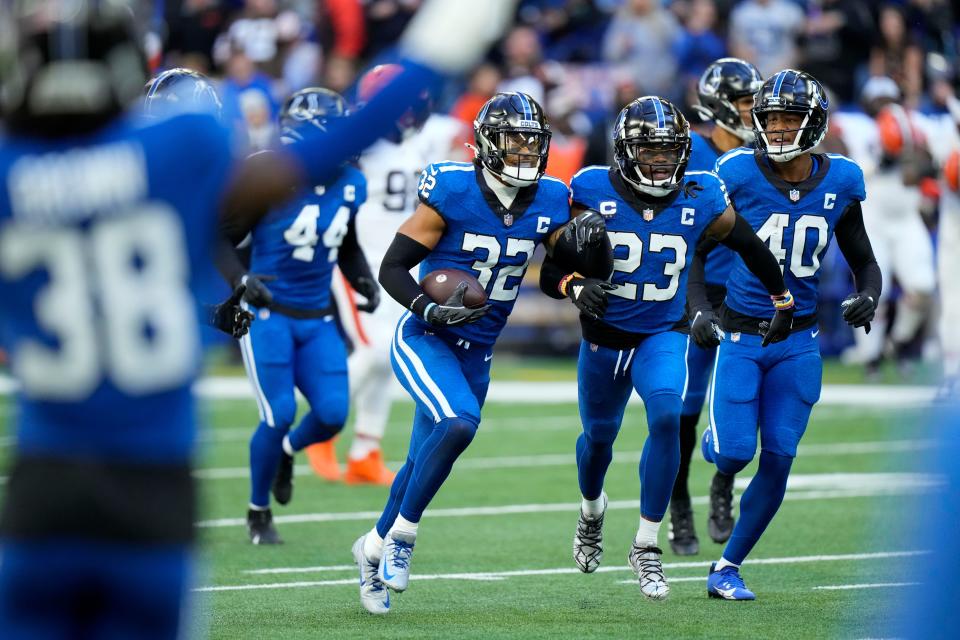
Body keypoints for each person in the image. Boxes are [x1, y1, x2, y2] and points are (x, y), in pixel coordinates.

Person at [0, 0, 522, 635]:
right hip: (150, 481)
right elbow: (332, 145)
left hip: (44, 479)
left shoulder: (10, 175)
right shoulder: (180, 145)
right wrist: (445, 42)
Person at [542, 96, 791, 600]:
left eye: (668, 150)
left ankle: (646, 545)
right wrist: (573, 284)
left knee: (665, 418)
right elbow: (551, 270)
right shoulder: (590, 189)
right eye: (648, 150)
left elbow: (747, 242)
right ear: (625, 150)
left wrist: (781, 294)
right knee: (598, 440)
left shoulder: (700, 194)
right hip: (605, 337)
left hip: (662, 332)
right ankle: (592, 511)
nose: (659, 160)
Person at [350, 92, 580, 615]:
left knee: (415, 465)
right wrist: (426, 311)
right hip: (426, 337)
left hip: (479, 351)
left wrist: (578, 271)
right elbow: (393, 267)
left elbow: (554, 272)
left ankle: (370, 549)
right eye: (513, 140)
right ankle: (404, 535)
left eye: (531, 141)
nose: (524, 150)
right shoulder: (453, 188)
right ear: (484, 145)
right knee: (458, 423)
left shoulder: (549, 198)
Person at [690, 69, 881, 600]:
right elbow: (696, 251)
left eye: (788, 118)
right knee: (732, 454)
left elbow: (864, 259)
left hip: (799, 340)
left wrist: (869, 295)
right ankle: (715, 450)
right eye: (769, 118)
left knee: (779, 455)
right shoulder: (737, 172)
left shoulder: (840, 180)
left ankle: (727, 567)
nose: (776, 128)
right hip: (743, 336)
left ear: (813, 122)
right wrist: (701, 308)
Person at [311, 63, 467, 486]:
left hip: (398, 263)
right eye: (405, 106)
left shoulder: (422, 140)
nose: (413, 114)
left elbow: (457, 139)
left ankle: (366, 448)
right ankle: (317, 428)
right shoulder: (357, 145)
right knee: (375, 351)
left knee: (388, 358)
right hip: (357, 260)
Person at [235, 87, 379, 544]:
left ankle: (286, 452)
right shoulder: (266, 174)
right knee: (278, 412)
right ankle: (259, 513)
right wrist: (239, 281)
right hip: (267, 312)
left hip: (317, 315)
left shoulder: (353, 180)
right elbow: (217, 237)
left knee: (334, 414)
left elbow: (344, 240)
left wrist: (362, 279)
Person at [670, 57, 763, 556]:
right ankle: (679, 500)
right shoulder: (691, 155)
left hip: (747, 295)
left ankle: (723, 481)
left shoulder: (765, 156)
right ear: (722, 105)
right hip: (694, 291)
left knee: (742, 404)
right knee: (684, 404)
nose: (758, 112)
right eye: (749, 103)